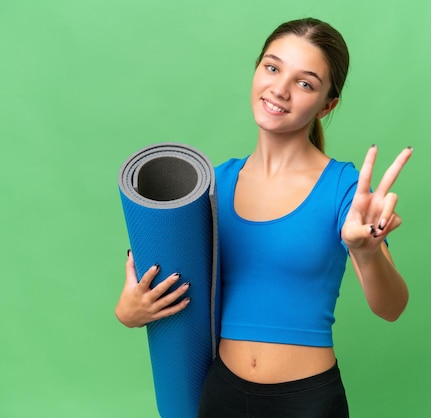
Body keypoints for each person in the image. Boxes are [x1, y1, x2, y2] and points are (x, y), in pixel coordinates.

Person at [115, 17, 412, 417]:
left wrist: (365, 251)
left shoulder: (345, 188)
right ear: (256, 70)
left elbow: (391, 307)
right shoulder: (212, 184)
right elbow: (164, 281)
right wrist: (129, 311)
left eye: (304, 82)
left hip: (307, 402)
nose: (280, 89)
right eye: (272, 67)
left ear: (327, 105)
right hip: (220, 395)